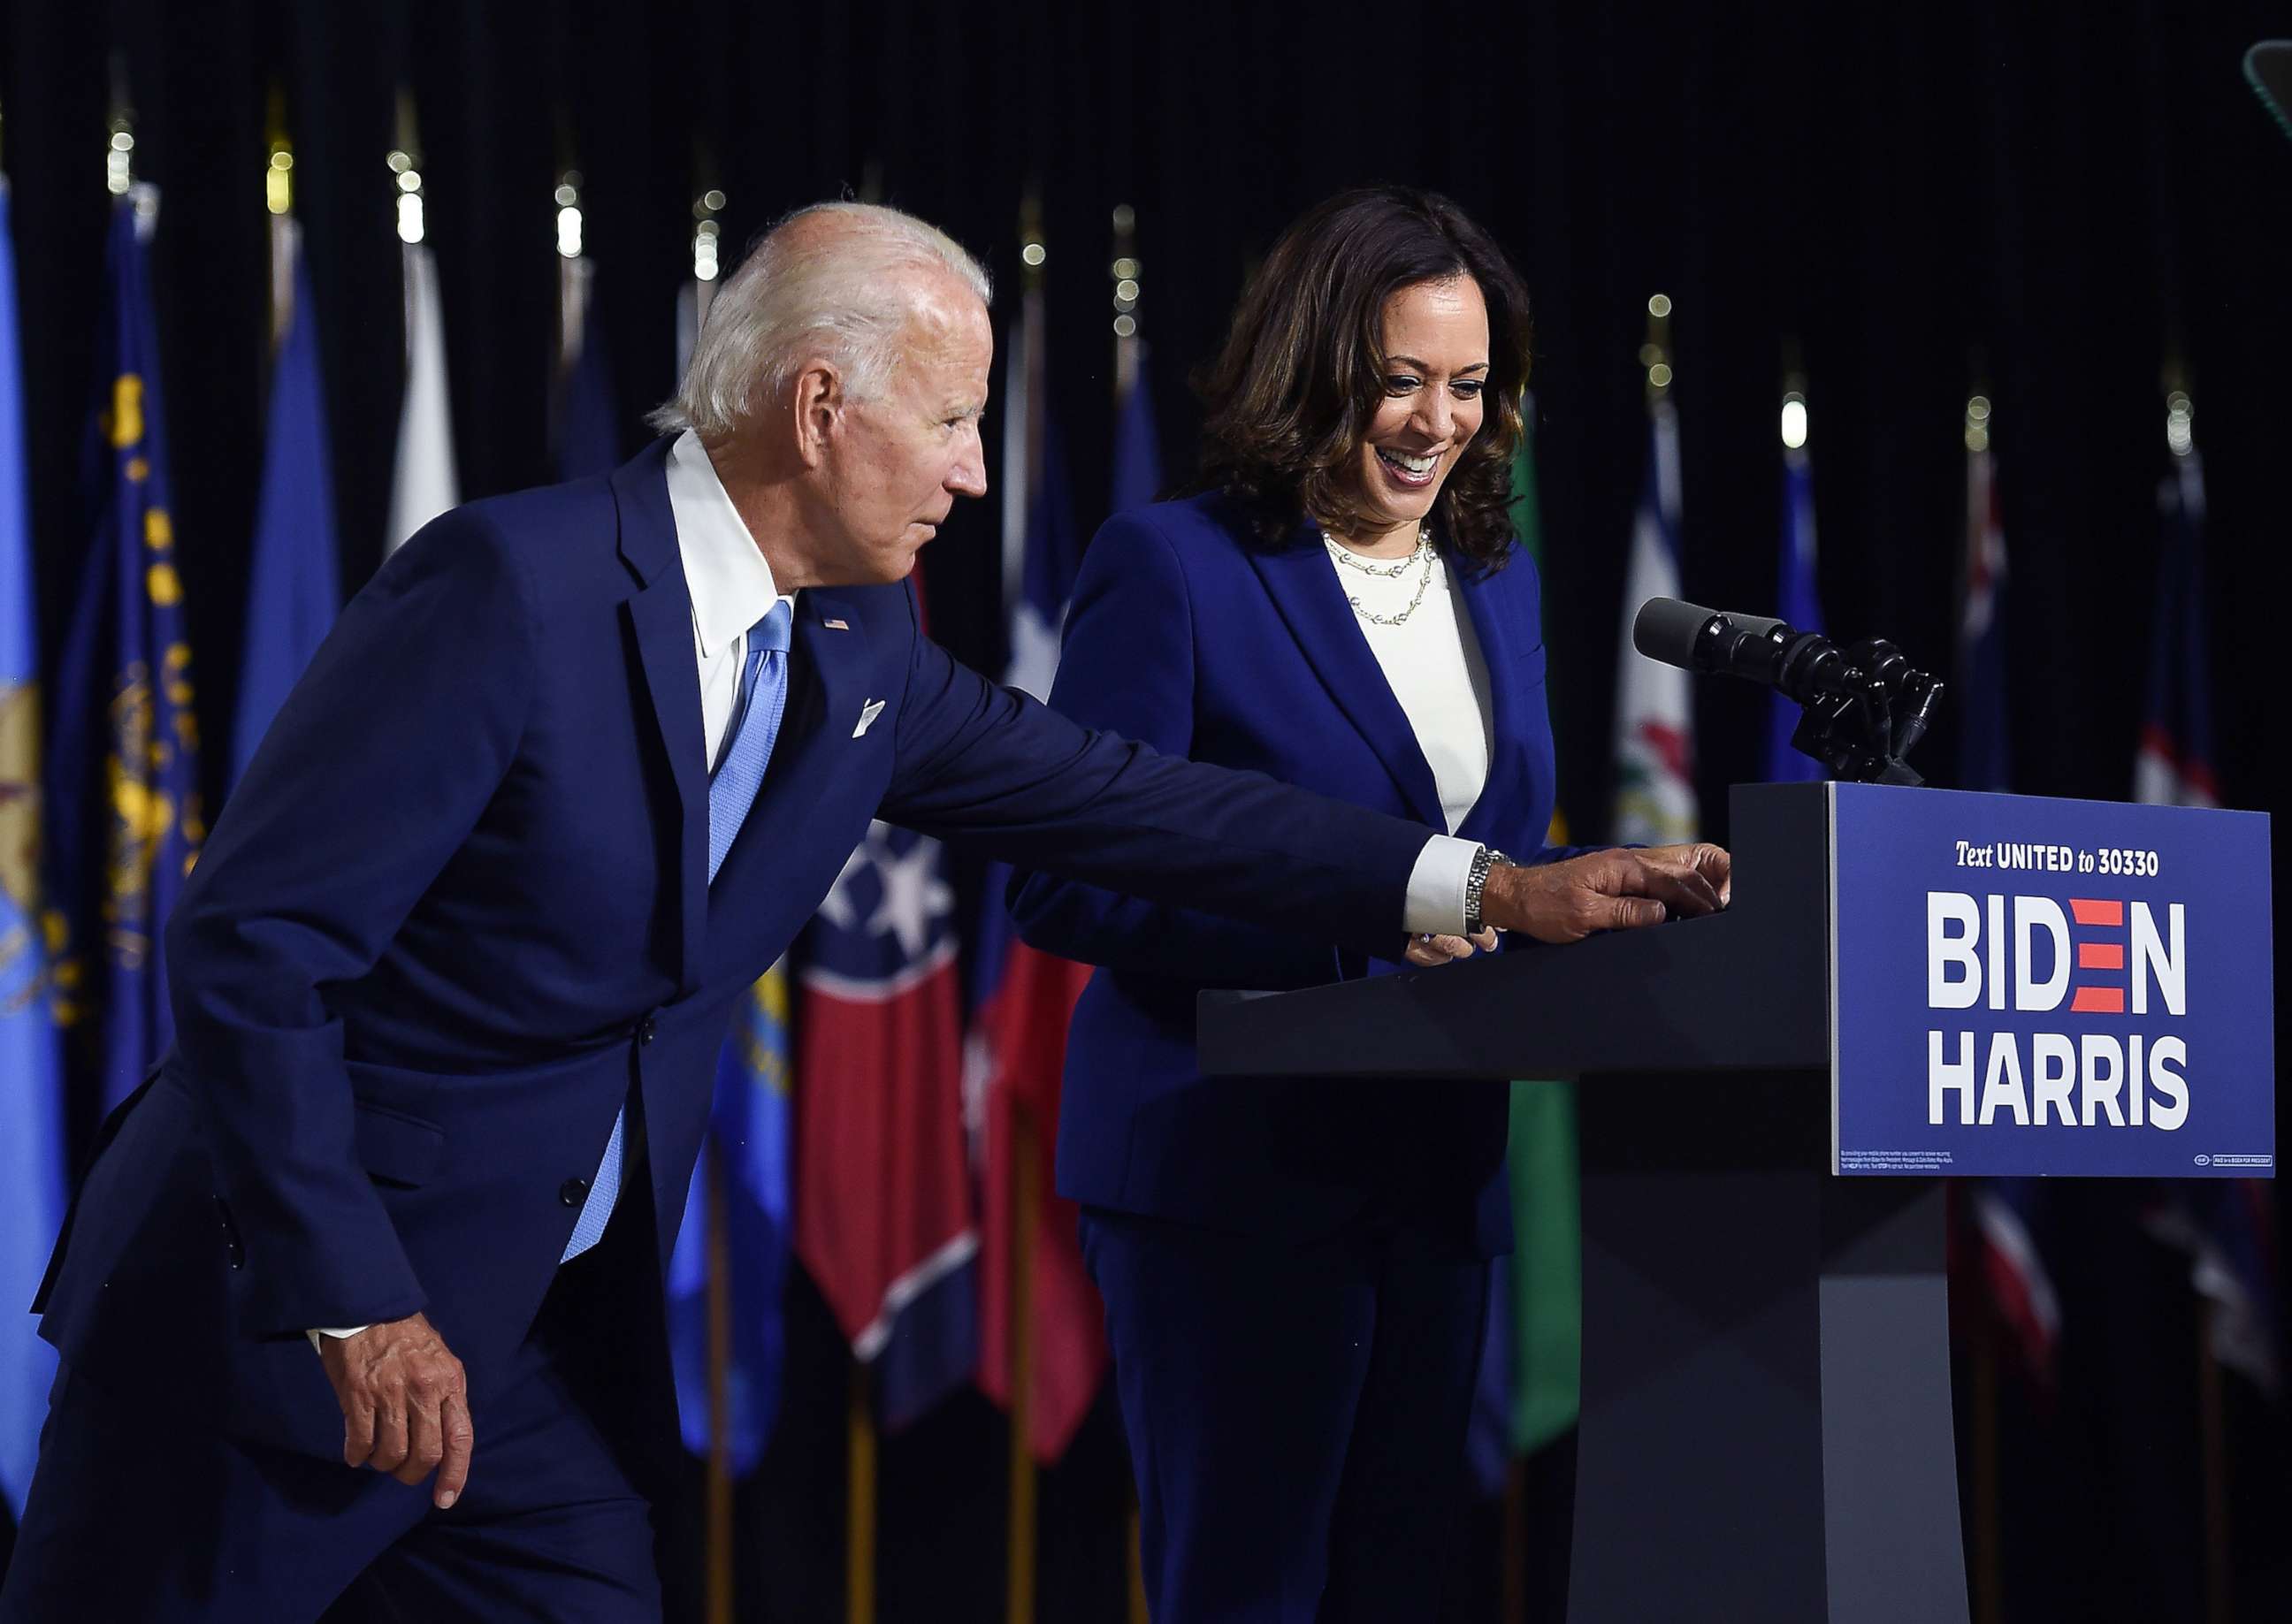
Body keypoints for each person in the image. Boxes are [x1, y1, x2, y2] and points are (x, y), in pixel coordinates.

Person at [1, 202, 1722, 1623]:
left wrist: (1494, 881)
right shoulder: (508, 588)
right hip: (266, 1327)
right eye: (955, 418)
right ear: (824, 406)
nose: (978, 473)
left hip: (505, 1344)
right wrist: (354, 1298)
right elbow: (253, 948)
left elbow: (1129, 801)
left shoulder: (860, 654)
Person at [1010, 185, 1729, 1622]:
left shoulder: (1493, 576)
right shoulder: (1176, 569)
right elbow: (1068, 874)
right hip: (1227, 1176)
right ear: (1313, 365)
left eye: (1469, 385)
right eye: (1399, 379)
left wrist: (1613, 914)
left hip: (1434, 1168)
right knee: (1252, 1593)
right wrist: (1382, 915)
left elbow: (1500, 853)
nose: (1437, 420)